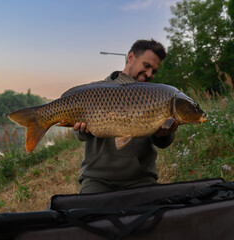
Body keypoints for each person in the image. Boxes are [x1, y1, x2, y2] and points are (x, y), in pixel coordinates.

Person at [74, 39, 178, 194]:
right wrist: (82, 130)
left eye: (154, 71)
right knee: (90, 218)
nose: (149, 74)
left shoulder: (155, 95)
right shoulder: (96, 90)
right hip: (97, 178)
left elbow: (164, 142)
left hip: (141, 179)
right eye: (146, 66)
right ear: (130, 58)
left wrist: (163, 133)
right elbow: (78, 134)